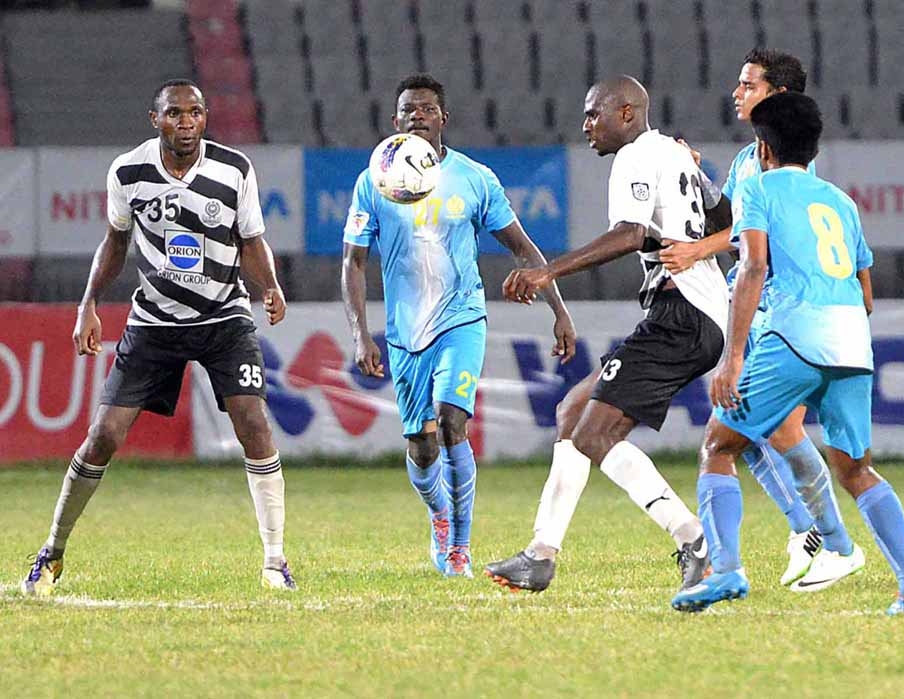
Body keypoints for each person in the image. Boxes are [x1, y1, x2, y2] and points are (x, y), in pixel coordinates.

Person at [21, 79, 296, 595]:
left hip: (223, 317)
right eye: (175, 114)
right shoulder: (128, 171)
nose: (186, 122)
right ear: (156, 119)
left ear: (205, 117)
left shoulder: (234, 169)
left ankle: (275, 562)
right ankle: (51, 552)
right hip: (154, 323)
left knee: (254, 422)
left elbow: (251, 240)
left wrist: (271, 286)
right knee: (103, 435)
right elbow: (115, 242)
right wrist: (89, 306)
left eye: (195, 113)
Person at [671, 92, 904, 615]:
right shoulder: (841, 201)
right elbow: (866, 293)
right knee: (858, 470)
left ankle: (725, 571)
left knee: (719, 446)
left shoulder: (756, 187)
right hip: (852, 343)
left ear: (762, 146)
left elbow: (751, 268)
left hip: (797, 334)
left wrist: (733, 356)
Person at [483, 75, 728, 594]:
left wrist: (547, 271)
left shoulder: (637, 155)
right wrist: (701, 179)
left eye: (594, 114)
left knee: (595, 435)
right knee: (573, 413)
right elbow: (723, 218)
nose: (585, 124)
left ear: (626, 113)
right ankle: (540, 554)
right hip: (695, 312)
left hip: (682, 312)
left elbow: (630, 234)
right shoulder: (676, 153)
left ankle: (695, 540)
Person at [341, 73, 576, 578]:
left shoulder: (475, 178)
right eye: (408, 110)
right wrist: (361, 332)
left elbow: (522, 246)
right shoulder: (374, 181)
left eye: (426, 109)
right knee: (421, 446)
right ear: (395, 121)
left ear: (443, 118)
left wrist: (559, 307)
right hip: (405, 332)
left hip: (461, 317)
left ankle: (459, 550)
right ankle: (440, 517)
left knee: (452, 422)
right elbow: (353, 262)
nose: (417, 116)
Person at [660, 48, 858, 590]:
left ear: (776, 95)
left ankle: (825, 538)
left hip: (784, 308)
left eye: (747, 84)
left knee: (756, 430)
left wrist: (698, 251)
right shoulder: (751, 158)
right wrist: (697, 177)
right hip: (769, 307)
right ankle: (815, 534)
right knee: (760, 430)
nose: (735, 91)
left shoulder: (787, 161)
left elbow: (754, 239)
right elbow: (733, 216)